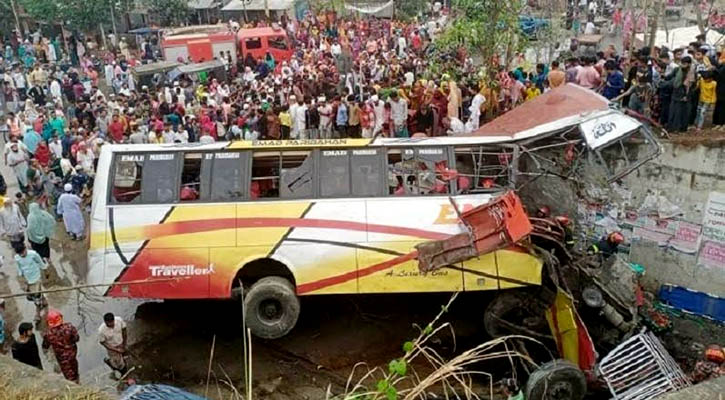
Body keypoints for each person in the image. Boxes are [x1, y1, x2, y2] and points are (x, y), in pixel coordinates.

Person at [42, 310, 80, 383]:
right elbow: (77, 338)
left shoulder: (48, 334)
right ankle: (77, 378)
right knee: (74, 366)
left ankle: (73, 384)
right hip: (72, 353)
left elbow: (45, 346)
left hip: (62, 358)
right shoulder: (69, 327)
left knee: (68, 374)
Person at [15, 242, 49, 321]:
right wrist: (23, 280)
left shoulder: (33, 254)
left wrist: (46, 272)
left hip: (36, 277)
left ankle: (37, 314)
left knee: (36, 296)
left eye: (23, 252)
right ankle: (44, 301)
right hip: (28, 279)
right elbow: (19, 268)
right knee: (35, 294)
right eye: (20, 254)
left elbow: (41, 263)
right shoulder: (17, 258)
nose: (22, 255)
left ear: (25, 248)